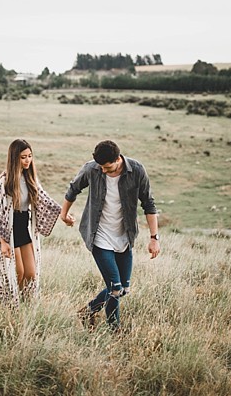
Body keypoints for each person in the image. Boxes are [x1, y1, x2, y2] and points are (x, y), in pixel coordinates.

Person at [60, 139, 160, 330]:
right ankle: (115, 329)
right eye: (101, 167)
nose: (103, 171)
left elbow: (149, 204)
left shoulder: (136, 170)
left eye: (107, 167)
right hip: (99, 235)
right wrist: (64, 214)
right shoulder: (92, 169)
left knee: (124, 289)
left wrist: (154, 238)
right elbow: (73, 189)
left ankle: (87, 311)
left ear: (118, 159)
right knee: (115, 288)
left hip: (124, 236)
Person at [0, 138, 61, 307]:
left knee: (31, 274)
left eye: (30, 156)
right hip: (9, 230)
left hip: (23, 228)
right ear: (15, 158)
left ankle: (26, 307)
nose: (28, 160)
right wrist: (3, 241)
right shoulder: (5, 181)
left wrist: (64, 213)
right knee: (18, 273)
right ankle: (12, 306)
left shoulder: (31, 179)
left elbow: (45, 200)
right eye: (23, 157)